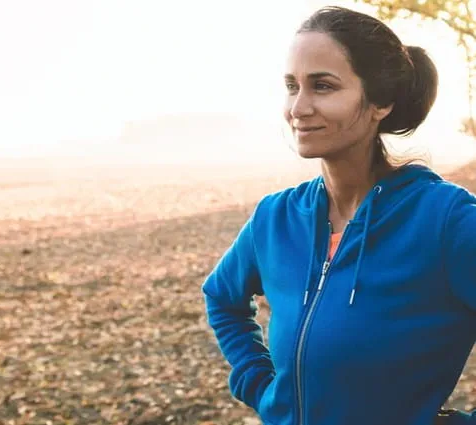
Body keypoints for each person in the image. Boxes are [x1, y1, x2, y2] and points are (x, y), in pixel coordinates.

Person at [201, 6, 476, 425]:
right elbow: (222, 297)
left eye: (323, 87)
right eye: (292, 86)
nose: (298, 107)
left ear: (380, 101)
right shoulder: (275, 218)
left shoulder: (443, 221)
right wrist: (260, 385)